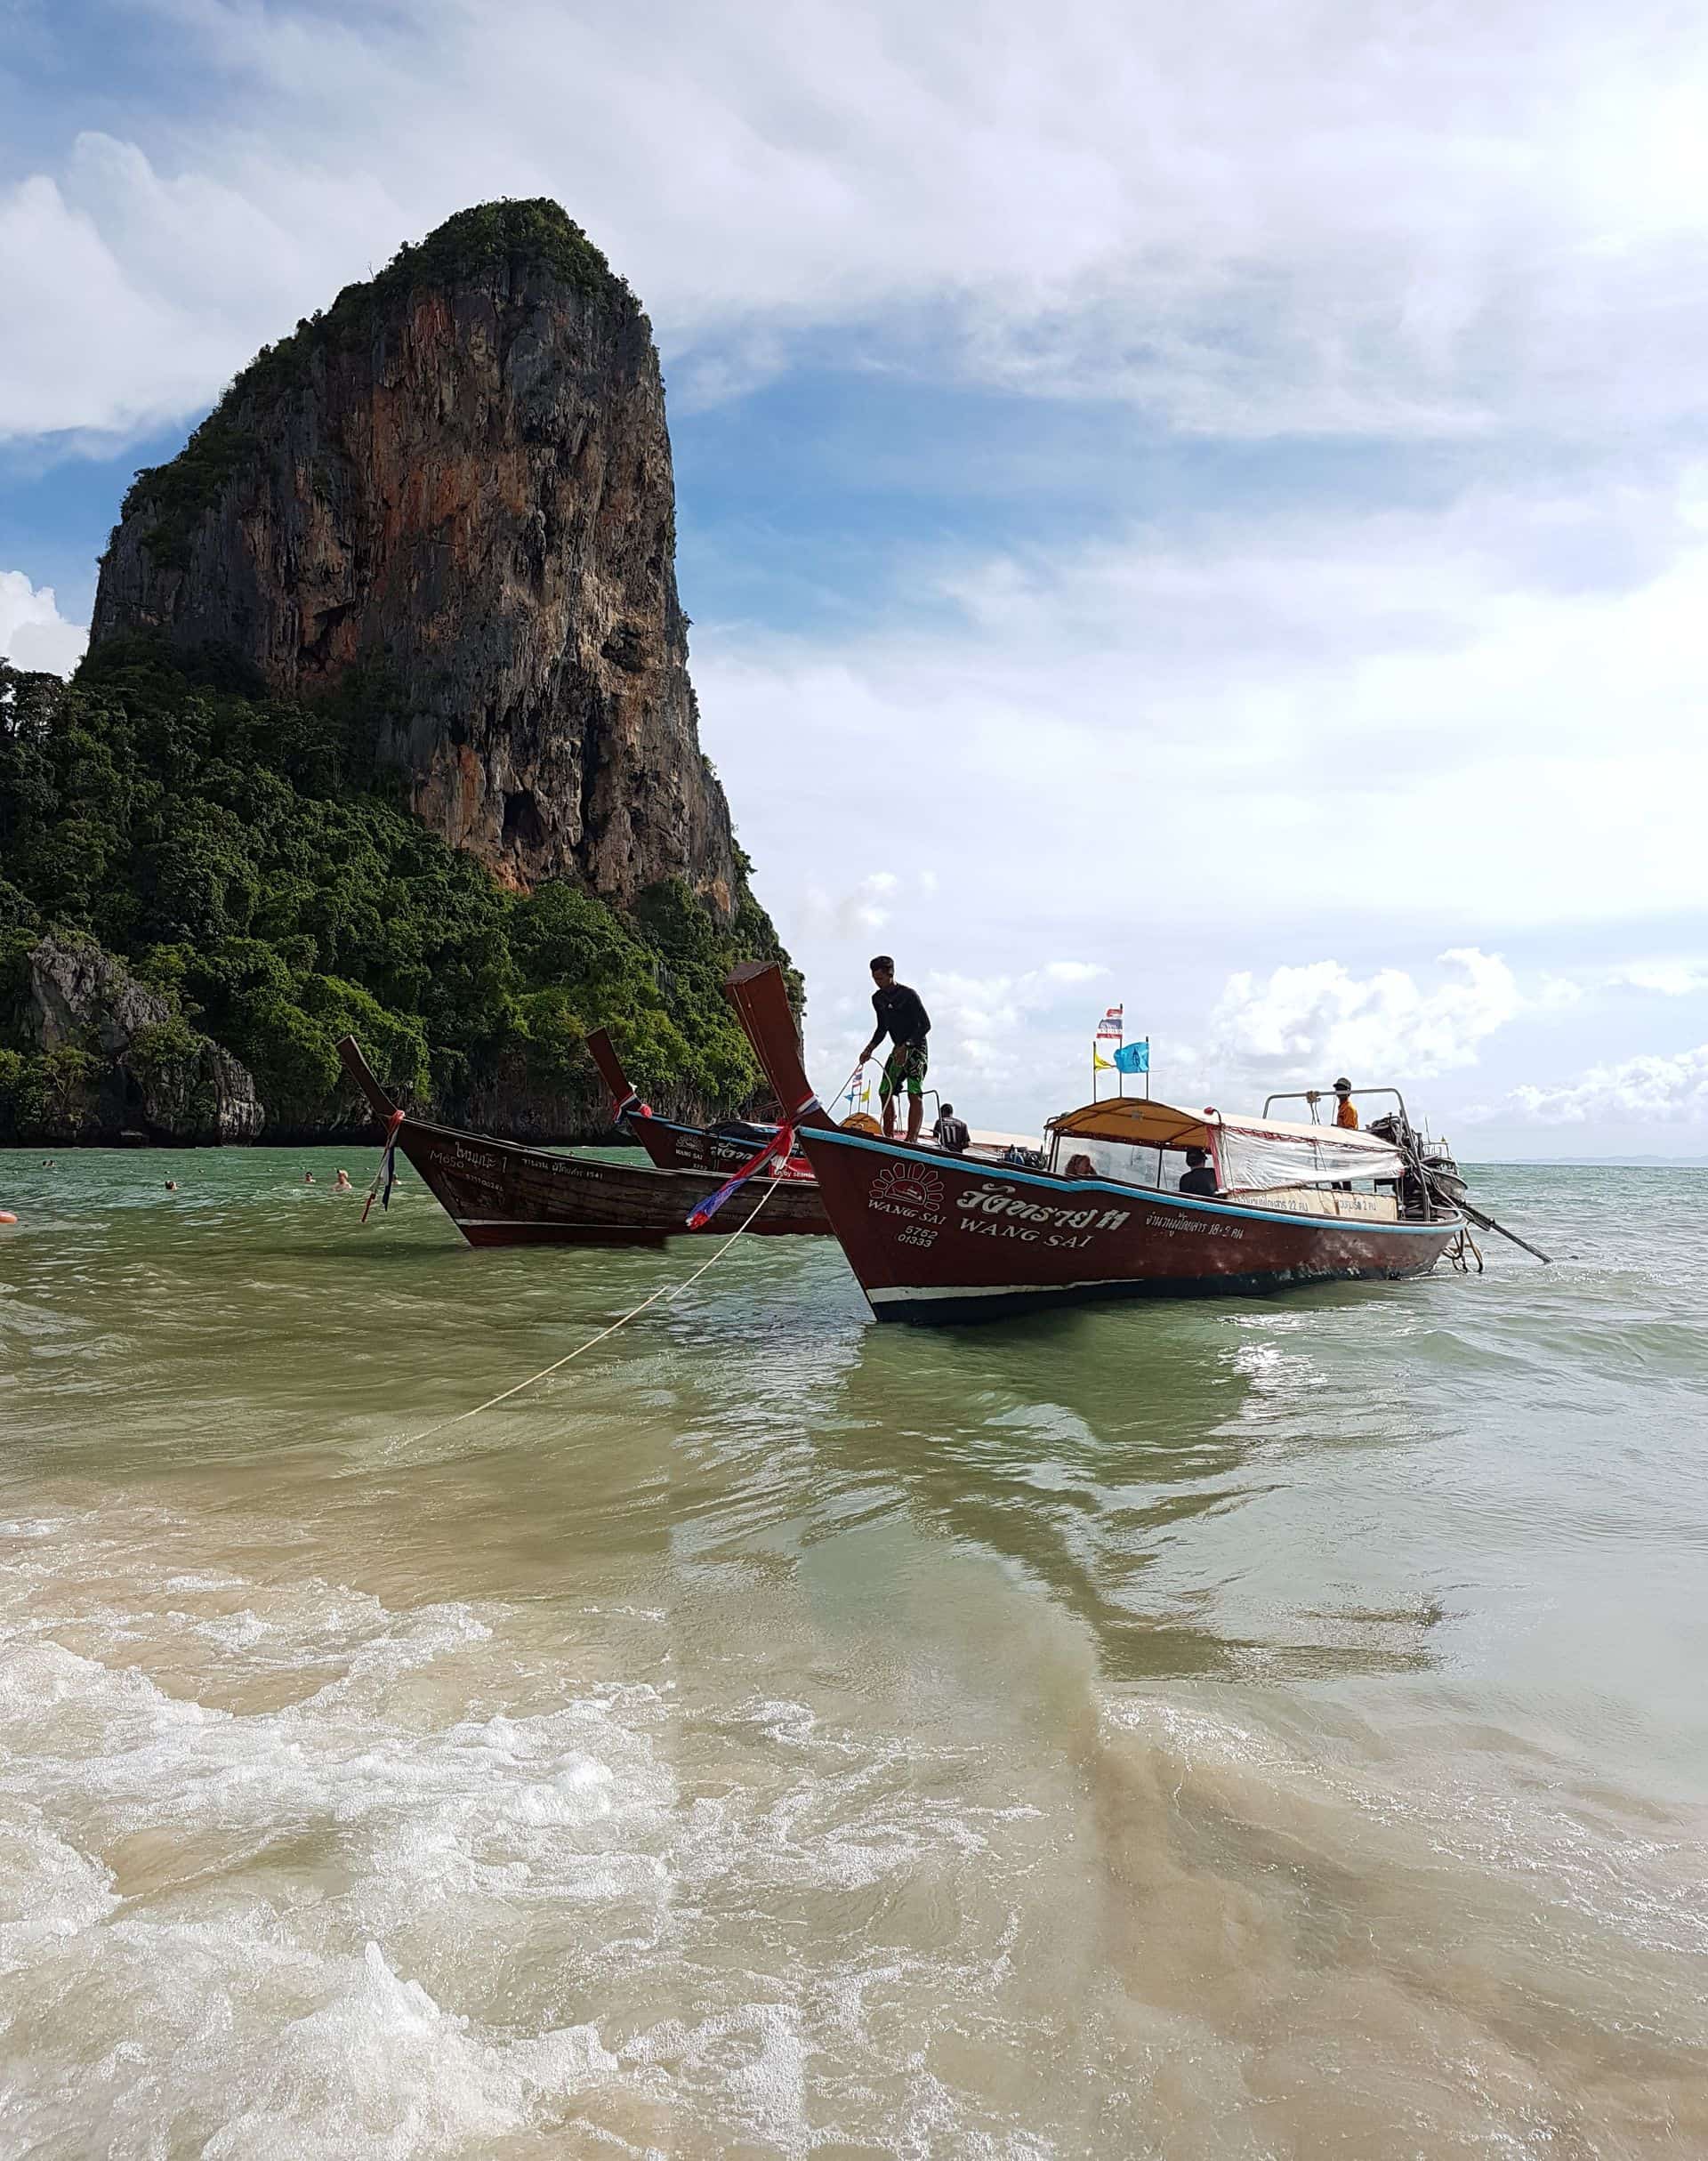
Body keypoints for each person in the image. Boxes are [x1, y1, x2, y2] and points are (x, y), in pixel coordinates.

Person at [859, 956, 931, 1146]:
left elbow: (925, 1025)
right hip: (897, 1047)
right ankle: (888, 1136)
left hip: (916, 1047)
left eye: (881, 978)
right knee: (885, 1090)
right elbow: (882, 1028)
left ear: (890, 974)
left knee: (914, 1091)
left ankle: (911, 1139)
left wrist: (907, 1046)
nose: (878, 983)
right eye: (875, 979)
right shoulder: (878, 999)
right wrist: (870, 1048)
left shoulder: (908, 995)